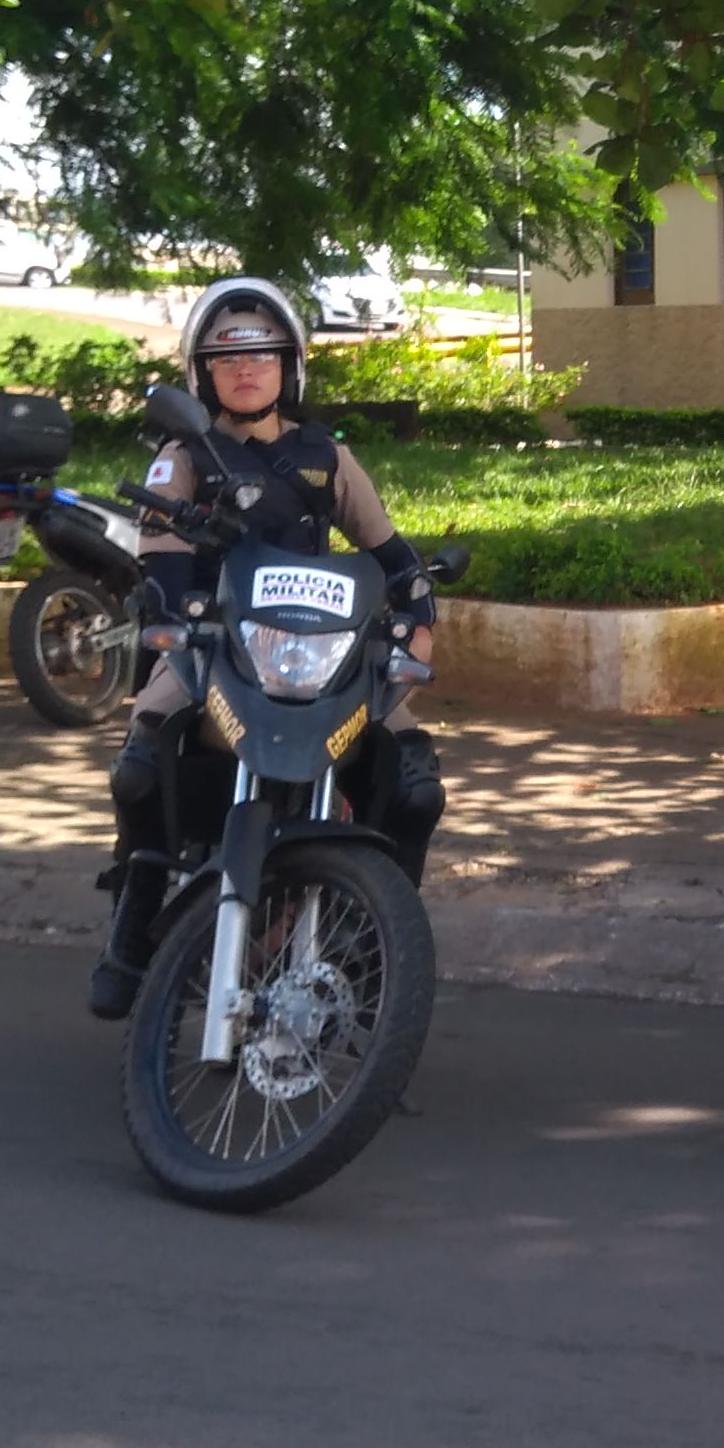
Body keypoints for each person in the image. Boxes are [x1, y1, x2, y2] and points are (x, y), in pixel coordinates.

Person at [86, 279, 447, 1020]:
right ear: (203, 372)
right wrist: (181, 611)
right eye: (227, 359)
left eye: (262, 356)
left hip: (323, 659)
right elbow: (163, 572)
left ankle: (379, 941)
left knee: (416, 785)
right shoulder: (183, 455)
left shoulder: (327, 458)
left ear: (290, 366)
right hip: (215, 653)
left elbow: (393, 556)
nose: (245, 371)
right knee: (140, 764)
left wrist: (418, 613)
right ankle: (131, 930)